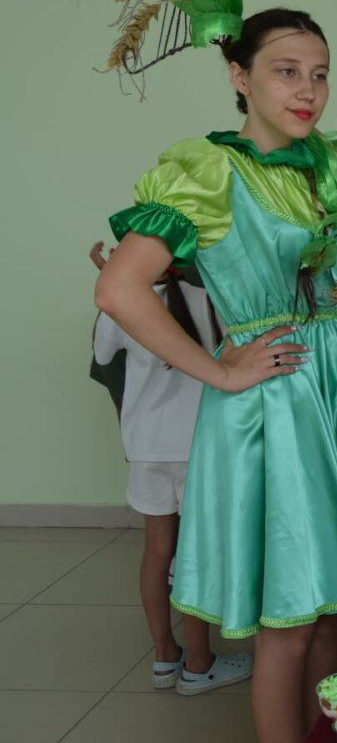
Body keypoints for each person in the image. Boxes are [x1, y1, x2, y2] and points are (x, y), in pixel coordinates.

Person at [92, 6, 337, 743]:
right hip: (267, 403)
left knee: (331, 614)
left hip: (326, 388)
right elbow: (121, 287)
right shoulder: (208, 169)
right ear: (240, 77)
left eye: (319, 74)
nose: (307, 90)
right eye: (285, 71)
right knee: (288, 620)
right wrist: (224, 369)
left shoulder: (333, 163)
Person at [90, 242, 251, 695]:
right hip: (198, 447)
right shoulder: (211, 301)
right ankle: (200, 663)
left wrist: (106, 279)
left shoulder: (122, 307)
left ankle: (165, 657)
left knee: (157, 553)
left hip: (145, 448)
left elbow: (103, 359)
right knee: (193, 556)